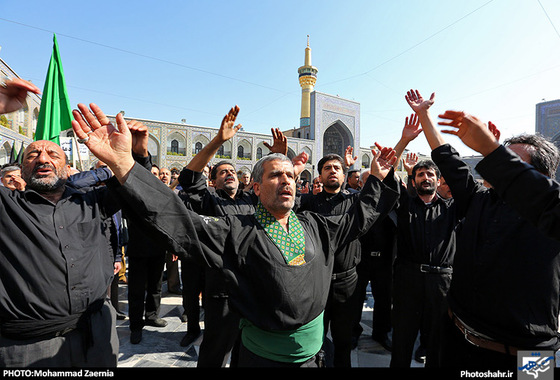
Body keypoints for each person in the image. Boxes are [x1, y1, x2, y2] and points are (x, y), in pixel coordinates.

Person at [72, 103, 400, 367]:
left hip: (313, 356)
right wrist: (126, 165)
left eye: (290, 174)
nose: (286, 180)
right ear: (256, 187)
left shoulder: (315, 224)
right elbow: (177, 218)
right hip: (263, 358)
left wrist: (380, 178)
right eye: (276, 175)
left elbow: (360, 217)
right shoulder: (236, 232)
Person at [409, 90, 560, 370]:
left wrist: (492, 151)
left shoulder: (550, 216)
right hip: (456, 338)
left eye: (509, 162)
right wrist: (425, 115)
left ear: (538, 176)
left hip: (529, 356)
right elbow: (447, 158)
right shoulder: (480, 200)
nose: (496, 166)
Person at [0, 100, 148, 367]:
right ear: (22, 170)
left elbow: (139, 190)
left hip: (97, 337)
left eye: (52, 155)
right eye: (33, 155)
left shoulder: (94, 202)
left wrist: (134, 155)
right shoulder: (7, 208)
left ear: (67, 170)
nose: (43, 158)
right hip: (28, 350)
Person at [176, 106, 290, 367]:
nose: (229, 174)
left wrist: (277, 156)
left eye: (232, 172)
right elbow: (189, 178)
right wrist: (217, 142)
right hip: (222, 289)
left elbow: (271, 185)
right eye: (222, 172)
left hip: (252, 285)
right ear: (213, 181)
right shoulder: (207, 199)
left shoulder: (251, 198)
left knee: (246, 347)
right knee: (216, 348)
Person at [387, 111, 459, 368]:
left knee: (437, 344)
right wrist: (404, 140)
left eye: (430, 174)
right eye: (420, 175)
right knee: (403, 341)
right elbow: (385, 172)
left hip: (441, 283)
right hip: (408, 282)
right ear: (414, 180)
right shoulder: (404, 205)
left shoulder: (452, 208)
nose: (425, 178)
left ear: (438, 180)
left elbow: (460, 176)